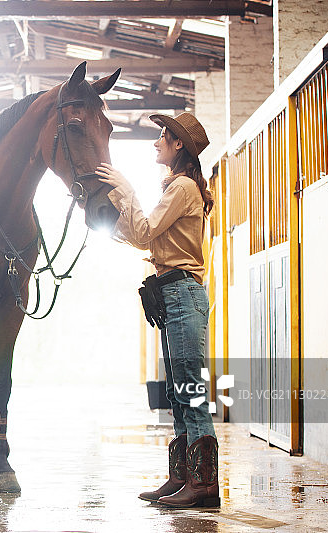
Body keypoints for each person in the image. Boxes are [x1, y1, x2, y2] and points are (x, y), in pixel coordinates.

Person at [95, 112, 220, 508]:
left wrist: (127, 190)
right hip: (174, 293)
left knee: (188, 388)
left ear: (178, 145)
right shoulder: (180, 187)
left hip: (182, 292)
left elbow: (145, 231)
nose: (155, 142)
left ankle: (202, 485)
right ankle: (182, 477)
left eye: (162, 136)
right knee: (177, 389)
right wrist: (117, 199)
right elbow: (140, 237)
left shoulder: (182, 186)